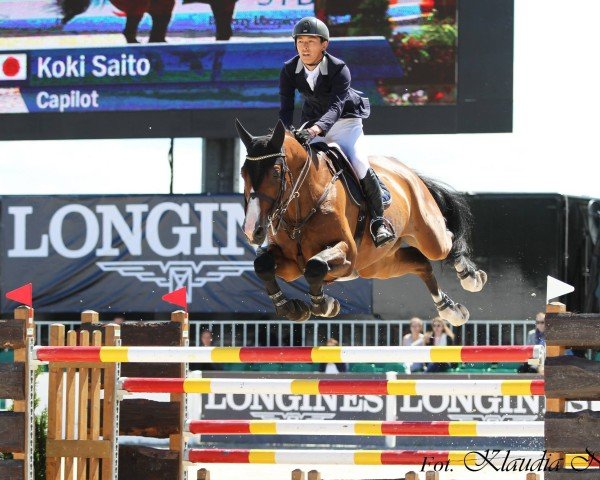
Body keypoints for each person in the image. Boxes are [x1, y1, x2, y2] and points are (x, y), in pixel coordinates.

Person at [278, 16, 395, 247]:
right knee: (289, 165)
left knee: (359, 163)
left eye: (311, 41)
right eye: (300, 41)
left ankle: (379, 222)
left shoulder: (339, 68)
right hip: (311, 123)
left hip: (345, 123)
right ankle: (279, 223)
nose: (304, 46)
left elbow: (336, 106)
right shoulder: (289, 69)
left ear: (324, 44)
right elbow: (286, 107)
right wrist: (285, 135)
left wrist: (315, 130)